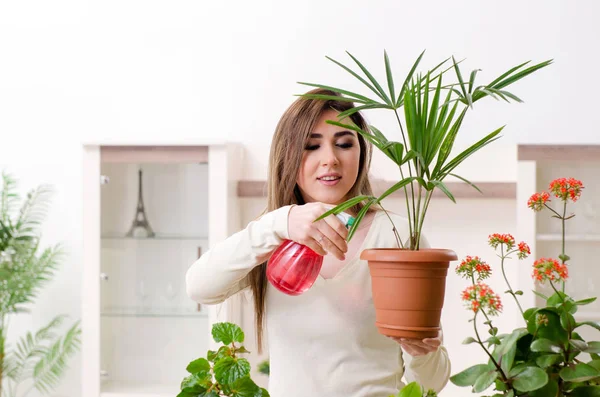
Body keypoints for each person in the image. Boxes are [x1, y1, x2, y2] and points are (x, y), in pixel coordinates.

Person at [186, 88, 451, 396]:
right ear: (288, 155)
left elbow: (432, 384)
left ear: (362, 153)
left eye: (344, 144)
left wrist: (423, 351)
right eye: (312, 146)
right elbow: (199, 287)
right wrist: (279, 224)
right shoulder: (271, 237)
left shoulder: (399, 237)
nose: (330, 160)